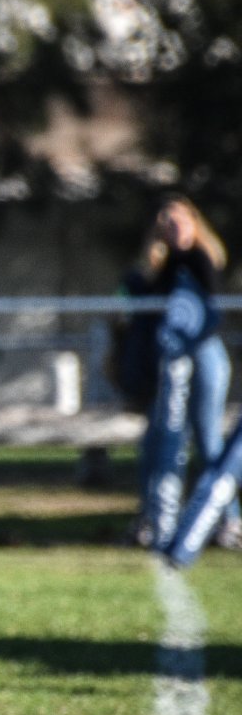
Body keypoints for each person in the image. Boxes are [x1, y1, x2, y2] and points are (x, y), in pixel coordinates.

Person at [135, 196, 240, 553]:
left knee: (209, 438)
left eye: (180, 221)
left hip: (205, 353)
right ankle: (152, 519)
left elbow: (209, 309)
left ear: (195, 224)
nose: (174, 228)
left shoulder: (200, 257)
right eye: (167, 222)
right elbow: (147, 298)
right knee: (160, 439)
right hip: (173, 359)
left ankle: (228, 520)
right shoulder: (165, 263)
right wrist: (158, 250)